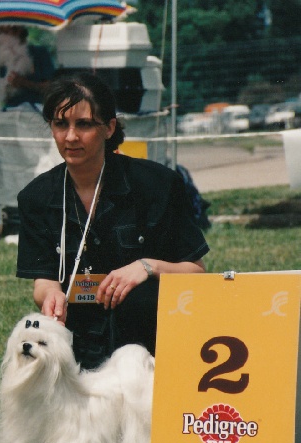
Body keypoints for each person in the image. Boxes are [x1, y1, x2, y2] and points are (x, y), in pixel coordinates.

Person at [16, 73, 208, 369]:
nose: (70, 137)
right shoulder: (35, 197)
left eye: (84, 124)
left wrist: (147, 267)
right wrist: (51, 294)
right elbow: (43, 281)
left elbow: (197, 272)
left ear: (109, 128)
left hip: (150, 345)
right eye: (60, 124)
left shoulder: (157, 184)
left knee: (140, 298)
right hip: (78, 341)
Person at [0, 25, 55, 111]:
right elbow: (2, 95)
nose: (1, 37)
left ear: (18, 32)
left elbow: (51, 87)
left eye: (6, 32)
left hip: (37, 109)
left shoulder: (40, 53)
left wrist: (25, 83)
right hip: (10, 110)